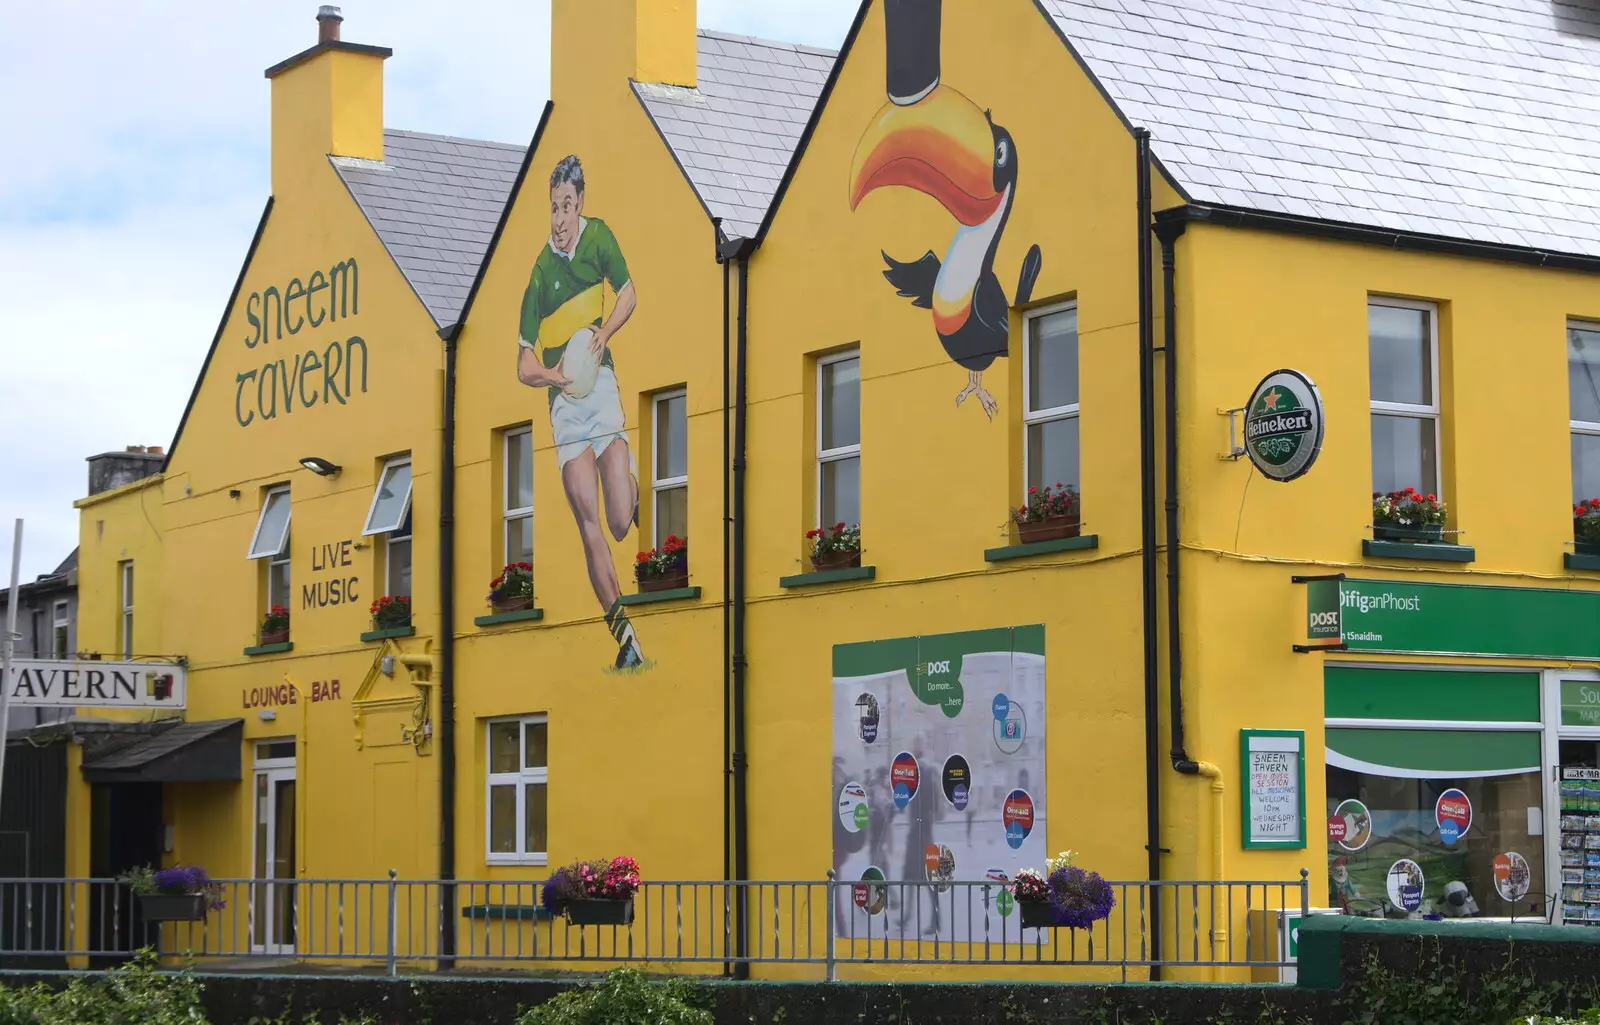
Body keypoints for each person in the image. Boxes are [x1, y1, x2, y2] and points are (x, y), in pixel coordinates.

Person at [516, 155, 644, 669]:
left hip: (602, 386)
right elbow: (524, 362)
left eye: (567, 206)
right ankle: (625, 638)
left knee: (617, 520)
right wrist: (552, 378)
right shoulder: (539, 273)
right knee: (586, 517)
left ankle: (633, 482)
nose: (560, 218)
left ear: (580, 204)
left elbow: (630, 293)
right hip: (565, 408)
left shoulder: (600, 239)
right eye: (553, 208)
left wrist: (605, 334)